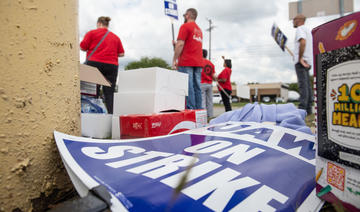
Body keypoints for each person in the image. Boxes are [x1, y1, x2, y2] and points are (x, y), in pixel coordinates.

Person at [80, 16, 125, 114]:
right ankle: (111, 119)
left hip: (94, 64)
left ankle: (92, 116)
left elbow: (83, 47)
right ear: (107, 25)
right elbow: (122, 54)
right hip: (111, 66)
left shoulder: (91, 33)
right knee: (109, 94)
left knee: (92, 93)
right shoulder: (115, 37)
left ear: (99, 23)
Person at [172, 8, 203, 109]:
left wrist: (174, 59)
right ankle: (198, 110)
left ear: (188, 15)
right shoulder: (199, 30)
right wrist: (176, 46)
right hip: (198, 62)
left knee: (188, 87)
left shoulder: (185, 26)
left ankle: (191, 110)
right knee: (197, 87)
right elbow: (188, 44)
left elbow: (180, 44)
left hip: (186, 61)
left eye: (184, 15)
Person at [293, 14, 313, 115]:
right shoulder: (308, 31)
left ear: (298, 20)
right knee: (308, 86)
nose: (293, 21)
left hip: (302, 62)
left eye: (294, 19)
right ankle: (308, 110)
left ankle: (302, 110)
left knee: (303, 86)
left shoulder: (300, 29)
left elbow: (303, 42)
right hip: (308, 61)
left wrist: (300, 58)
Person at [201, 49, 216, 118]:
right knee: (210, 101)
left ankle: (203, 116)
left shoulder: (199, 61)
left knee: (202, 101)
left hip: (202, 83)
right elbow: (214, 76)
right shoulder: (211, 64)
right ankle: (210, 116)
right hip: (209, 84)